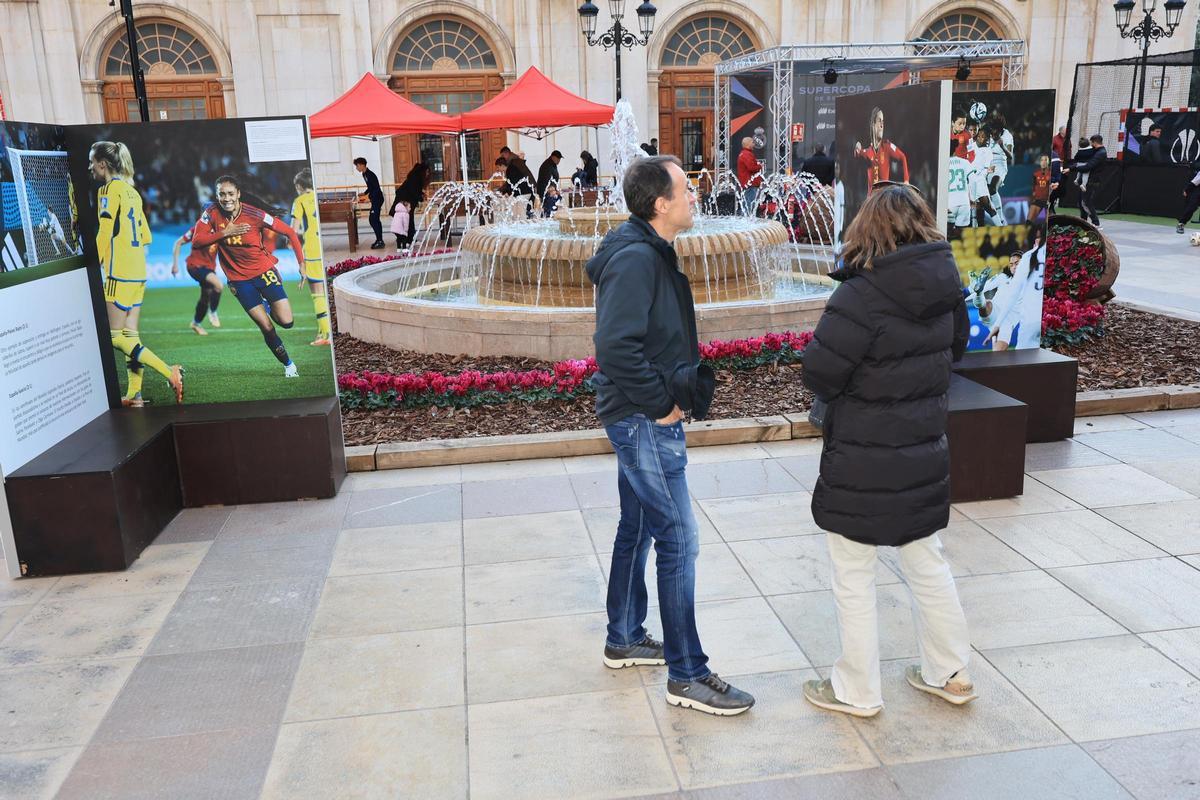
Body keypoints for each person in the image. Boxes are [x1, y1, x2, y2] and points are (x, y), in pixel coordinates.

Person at [587, 155, 755, 717]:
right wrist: (662, 403)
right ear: (660, 204)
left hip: (636, 415)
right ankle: (687, 673)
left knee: (635, 528)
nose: (695, 194)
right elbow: (615, 347)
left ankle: (624, 636)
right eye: (686, 188)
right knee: (679, 540)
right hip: (642, 420)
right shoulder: (637, 260)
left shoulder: (646, 250)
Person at [799, 183, 974, 718]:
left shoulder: (860, 294)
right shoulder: (948, 285)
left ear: (867, 227)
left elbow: (820, 371)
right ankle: (951, 673)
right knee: (927, 561)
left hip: (863, 457)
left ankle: (857, 689)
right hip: (922, 449)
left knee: (853, 570)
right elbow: (957, 350)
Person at [90, 141, 184, 407]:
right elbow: (146, 236)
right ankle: (135, 395)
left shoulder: (108, 190)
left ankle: (170, 372)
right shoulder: (133, 192)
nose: (89, 167)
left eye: (92, 162)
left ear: (103, 164)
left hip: (119, 272)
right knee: (130, 336)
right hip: (138, 271)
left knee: (114, 337)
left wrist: (94, 265)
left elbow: (105, 232)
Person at [190, 175, 306, 377]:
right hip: (239, 281)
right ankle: (289, 365)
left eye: (230, 194)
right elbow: (197, 242)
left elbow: (290, 232)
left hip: (264, 273)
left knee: (287, 322)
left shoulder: (255, 214)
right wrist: (225, 233)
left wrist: (302, 264)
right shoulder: (211, 213)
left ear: (238, 194)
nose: (226, 198)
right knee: (266, 326)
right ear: (217, 196)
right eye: (222, 194)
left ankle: (267, 304)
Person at [291, 168, 330, 346]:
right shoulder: (319, 197)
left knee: (317, 294)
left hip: (312, 250)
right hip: (325, 247)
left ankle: (326, 336)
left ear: (299, 186)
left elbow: (293, 231)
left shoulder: (300, 201)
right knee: (324, 291)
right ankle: (322, 331)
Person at [170, 221, 222, 336]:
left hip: (209, 268)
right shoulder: (197, 229)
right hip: (195, 265)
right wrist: (175, 264)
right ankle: (213, 312)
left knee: (206, 297)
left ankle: (196, 323)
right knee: (218, 285)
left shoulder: (221, 229)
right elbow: (178, 243)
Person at [855, 107, 909, 195]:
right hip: (871, 201)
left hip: (883, 198)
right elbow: (857, 154)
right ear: (873, 124)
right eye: (879, 121)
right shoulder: (867, 152)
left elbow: (902, 157)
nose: (882, 125)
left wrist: (906, 180)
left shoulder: (887, 147)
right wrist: (857, 147)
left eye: (883, 121)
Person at [1066, 135, 1106, 228]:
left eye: (1092, 143)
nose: (1091, 145)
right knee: (1081, 202)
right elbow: (1082, 161)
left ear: (1095, 142)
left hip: (1091, 181)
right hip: (1087, 181)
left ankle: (1096, 223)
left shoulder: (1100, 153)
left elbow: (1088, 166)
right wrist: (1071, 168)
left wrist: (1072, 169)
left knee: (1086, 202)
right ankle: (1083, 222)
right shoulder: (1095, 151)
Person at [391, 162, 431, 248]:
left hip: (406, 202)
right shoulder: (415, 178)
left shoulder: (415, 178)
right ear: (422, 171)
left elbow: (415, 190)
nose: (427, 174)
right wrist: (420, 197)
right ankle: (407, 239)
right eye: (427, 172)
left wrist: (421, 194)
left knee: (407, 220)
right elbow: (413, 191)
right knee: (406, 221)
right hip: (404, 202)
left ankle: (407, 239)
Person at [946, 139, 977, 236]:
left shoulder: (942, 163)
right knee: (960, 237)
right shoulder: (964, 162)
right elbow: (973, 180)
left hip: (949, 203)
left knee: (947, 235)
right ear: (955, 149)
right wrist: (972, 198)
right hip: (964, 203)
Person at [353, 157, 385, 249]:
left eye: (357, 166)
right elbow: (371, 187)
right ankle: (379, 239)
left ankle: (380, 241)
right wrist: (365, 193)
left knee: (374, 220)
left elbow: (376, 189)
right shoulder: (364, 174)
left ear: (362, 165)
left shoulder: (370, 174)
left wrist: (368, 198)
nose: (357, 168)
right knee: (373, 220)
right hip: (374, 198)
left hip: (378, 199)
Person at [737, 137, 762, 216]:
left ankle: (744, 222)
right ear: (748, 144)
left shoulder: (744, 154)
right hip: (750, 184)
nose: (754, 144)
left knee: (746, 205)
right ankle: (746, 223)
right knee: (749, 206)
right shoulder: (747, 154)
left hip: (747, 183)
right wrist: (760, 166)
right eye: (752, 142)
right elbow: (751, 168)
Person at [1176, 164, 1200, 233]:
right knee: (1191, 207)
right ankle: (1181, 224)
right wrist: (1187, 190)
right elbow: (1196, 181)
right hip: (1198, 191)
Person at [1028, 155, 1052, 222]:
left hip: (1048, 201)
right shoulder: (1036, 174)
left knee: (1047, 224)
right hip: (1038, 200)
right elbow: (1034, 187)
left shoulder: (1051, 174)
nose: (1043, 162)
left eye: (1045, 160)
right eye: (1042, 160)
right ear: (1039, 162)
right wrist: (1033, 196)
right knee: (1029, 222)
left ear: (1048, 162)